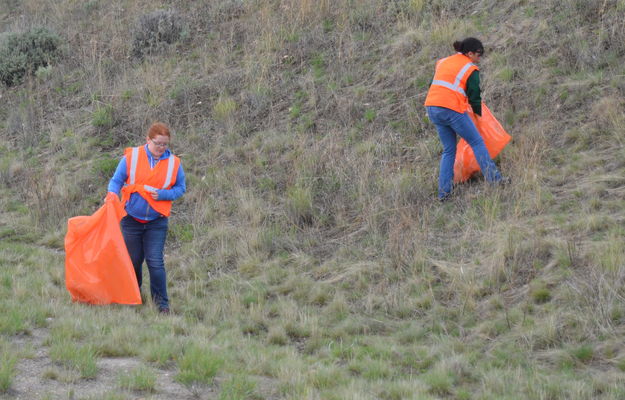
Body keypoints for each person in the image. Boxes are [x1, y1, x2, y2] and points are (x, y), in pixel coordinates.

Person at [108, 122, 186, 313]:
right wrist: (111, 194)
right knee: (133, 261)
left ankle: (161, 305)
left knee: (155, 262)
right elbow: (116, 180)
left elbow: (180, 188)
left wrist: (164, 195)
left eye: (165, 144)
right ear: (147, 140)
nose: (161, 148)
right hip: (131, 219)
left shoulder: (174, 163)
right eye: (158, 143)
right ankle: (133, 298)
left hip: (157, 222)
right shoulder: (131, 157)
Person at [424, 37, 505, 201]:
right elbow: (474, 97)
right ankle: (495, 180)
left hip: (432, 107)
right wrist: (478, 117)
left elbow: (438, 84)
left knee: (448, 150)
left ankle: (444, 193)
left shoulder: (443, 61)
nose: (479, 58)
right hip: (450, 109)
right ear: (469, 53)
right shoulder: (470, 68)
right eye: (478, 54)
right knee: (476, 142)